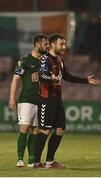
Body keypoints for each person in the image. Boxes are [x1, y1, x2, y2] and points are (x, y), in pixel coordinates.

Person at [33, 33, 101, 169]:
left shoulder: (59, 60)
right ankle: (36, 162)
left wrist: (85, 80)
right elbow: (41, 75)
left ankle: (50, 161)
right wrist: (51, 78)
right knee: (45, 131)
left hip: (57, 99)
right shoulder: (45, 59)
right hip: (46, 99)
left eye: (64, 44)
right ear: (52, 45)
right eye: (61, 44)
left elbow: (66, 76)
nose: (64, 46)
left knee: (59, 129)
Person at [8, 34, 49, 168]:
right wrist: (12, 98)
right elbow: (15, 79)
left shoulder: (44, 61)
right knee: (24, 128)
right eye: (45, 44)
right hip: (26, 99)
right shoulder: (25, 60)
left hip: (40, 100)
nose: (47, 46)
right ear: (38, 45)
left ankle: (31, 161)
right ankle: (20, 159)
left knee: (36, 130)